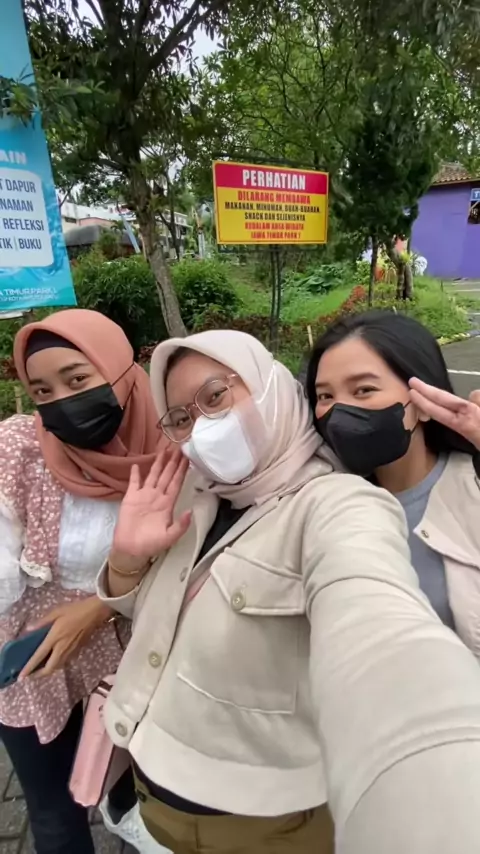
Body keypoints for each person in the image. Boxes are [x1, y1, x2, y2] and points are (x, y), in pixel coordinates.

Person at [98, 329, 480, 854]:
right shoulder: (195, 491)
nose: (200, 428)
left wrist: (430, 777)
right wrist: (125, 562)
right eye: (181, 418)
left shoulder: (337, 502)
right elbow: (154, 616)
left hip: (266, 827)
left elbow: (376, 622)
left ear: (271, 392)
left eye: (215, 397)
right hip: (153, 792)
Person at [0, 309, 169, 854]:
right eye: (42, 391)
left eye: (78, 379)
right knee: (53, 811)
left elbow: (180, 563)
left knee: (122, 762)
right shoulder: (20, 449)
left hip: (129, 646)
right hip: (33, 658)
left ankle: (122, 810)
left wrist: (97, 607)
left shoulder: (170, 453)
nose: (62, 402)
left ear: (120, 368)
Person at [306, 309, 480, 650]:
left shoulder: (473, 488)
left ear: (424, 402)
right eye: (325, 396)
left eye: (363, 389)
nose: (338, 413)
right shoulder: (320, 506)